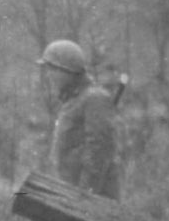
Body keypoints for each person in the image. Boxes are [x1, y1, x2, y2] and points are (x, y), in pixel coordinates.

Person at [39, 38, 120, 198]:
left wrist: (84, 196)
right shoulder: (73, 101)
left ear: (66, 71)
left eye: (52, 70)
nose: (48, 76)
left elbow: (98, 150)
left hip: (92, 202)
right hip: (73, 197)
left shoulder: (94, 98)